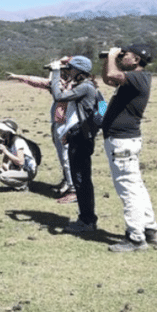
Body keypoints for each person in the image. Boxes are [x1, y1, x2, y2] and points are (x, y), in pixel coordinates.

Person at [101, 44, 157, 252]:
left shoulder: (137, 77)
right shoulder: (133, 79)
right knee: (136, 186)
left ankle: (135, 238)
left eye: (125, 55)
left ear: (136, 60)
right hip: (125, 140)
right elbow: (108, 78)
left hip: (122, 141)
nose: (121, 57)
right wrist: (108, 59)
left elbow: (112, 74)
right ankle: (150, 230)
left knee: (128, 189)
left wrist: (111, 56)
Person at [6, 70, 76, 203]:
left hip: (71, 127)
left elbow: (100, 102)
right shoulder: (62, 88)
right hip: (59, 125)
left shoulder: (82, 87)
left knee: (69, 159)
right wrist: (18, 76)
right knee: (63, 159)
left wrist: (102, 120)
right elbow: (38, 81)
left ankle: (74, 189)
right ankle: (68, 181)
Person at [49, 56, 99, 233]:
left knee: (81, 179)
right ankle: (87, 218)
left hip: (81, 138)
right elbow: (102, 109)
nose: (67, 72)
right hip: (81, 135)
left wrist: (55, 73)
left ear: (78, 70)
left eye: (69, 69)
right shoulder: (91, 87)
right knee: (83, 179)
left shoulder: (85, 87)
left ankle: (87, 220)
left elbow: (58, 95)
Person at [0, 119, 37, 191]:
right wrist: (6, 167)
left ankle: (23, 186)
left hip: (28, 171)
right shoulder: (9, 142)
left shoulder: (18, 142)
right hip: (18, 169)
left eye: (2, 130)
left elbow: (21, 162)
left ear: (8, 132)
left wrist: (5, 151)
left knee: (2, 176)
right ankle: (18, 182)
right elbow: (4, 162)